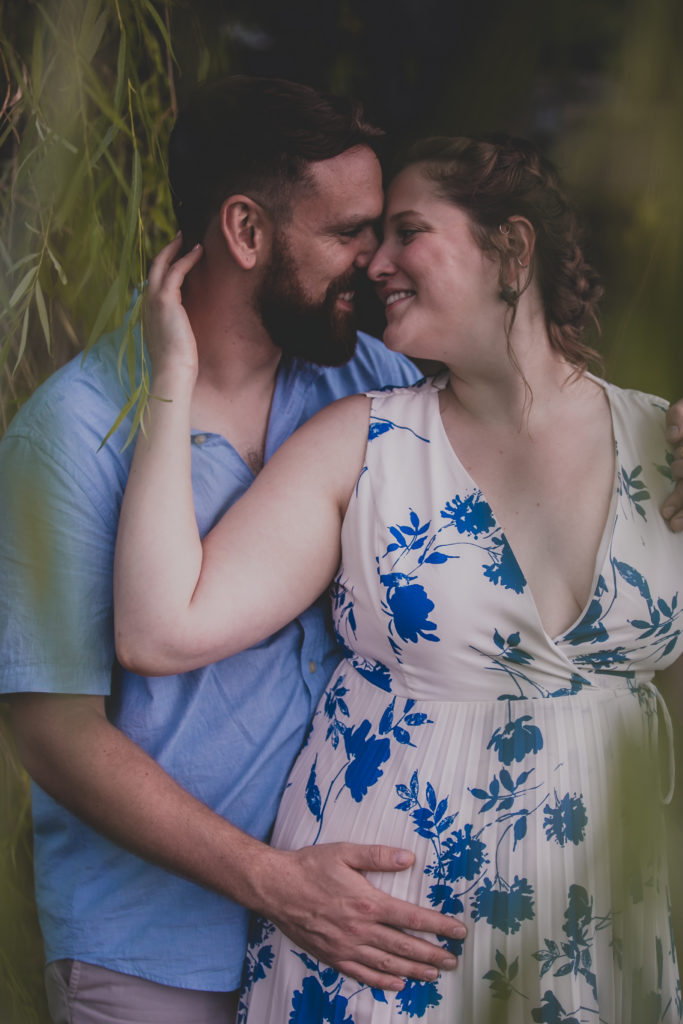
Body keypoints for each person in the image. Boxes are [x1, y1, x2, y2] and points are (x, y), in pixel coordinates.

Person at [114, 134, 683, 1023]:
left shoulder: (665, 444)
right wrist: (171, 379)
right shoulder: (363, 442)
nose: (373, 262)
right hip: (383, 934)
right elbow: (160, 630)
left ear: (512, 251)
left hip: (597, 923)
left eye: (406, 231)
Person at [0, 78, 472, 1024]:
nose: (376, 263)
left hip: (340, 948)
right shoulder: (73, 433)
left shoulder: (372, 386)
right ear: (247, 233)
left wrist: (648, 440)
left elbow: (523, 467)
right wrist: (274, 882)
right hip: (153, 956)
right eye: (348, 233)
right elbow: (52, 732)